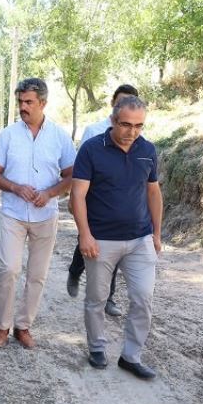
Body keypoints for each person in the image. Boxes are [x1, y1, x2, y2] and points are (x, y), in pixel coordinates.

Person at [70, 96, 163, 380]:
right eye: (125, 124)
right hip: (101, 240)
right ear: (112, 121)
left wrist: (157, 233)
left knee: (143, 298)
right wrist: (85, 235)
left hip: (140, 239)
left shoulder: (147, 150)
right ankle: (97, 347)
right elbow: (77, 195)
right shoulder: (91, 149)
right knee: (97, 298)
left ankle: (131, 356)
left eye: (138, 126)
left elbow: (153, 192)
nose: (132, 131)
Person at [0, 78, 76, 349]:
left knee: (37, 275)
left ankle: (23, 326)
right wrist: (15, 187)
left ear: (43, 103)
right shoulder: (8, 135)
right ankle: (2, 326)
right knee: (9, 269)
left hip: (46, 215)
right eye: (20, 102)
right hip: (13, 213)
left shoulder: (60, 136)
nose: (23, 107)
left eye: (28, 102)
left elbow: (72, 175)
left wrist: (50, 193)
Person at [67, 84, 140, 317]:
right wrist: (75, 199)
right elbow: (79, 168)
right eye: (121, 102)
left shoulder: (137, 135)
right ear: (113, 104)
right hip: (92, 200)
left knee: (113, 250)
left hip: (119, 203)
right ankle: (75, 270)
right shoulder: (93, 130)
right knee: (86, 241)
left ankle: (107, 297)